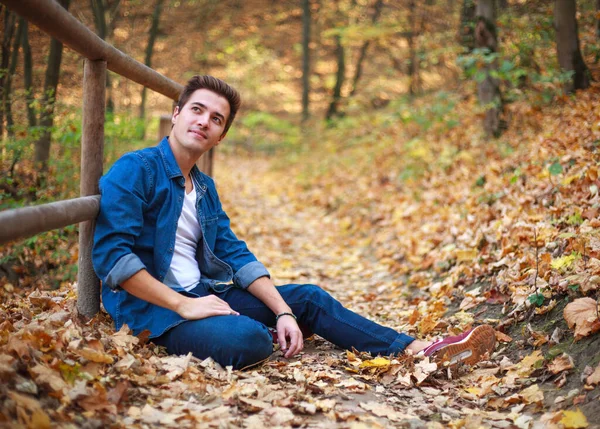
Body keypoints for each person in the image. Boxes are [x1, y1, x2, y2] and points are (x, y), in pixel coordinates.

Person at [92, 75, 496, 370]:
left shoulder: (205, 186)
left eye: (216, 119)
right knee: (249, 339)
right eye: (196, 110)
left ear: (220, 136)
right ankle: (249, 329)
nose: (204, 121)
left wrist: (284, 313)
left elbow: (234, 253)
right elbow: (113, 258)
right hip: (156, 309)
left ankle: (418, 349)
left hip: (205, 292)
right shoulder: (136, 169)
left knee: (309, 298)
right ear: (177, 114)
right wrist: (186, 305)